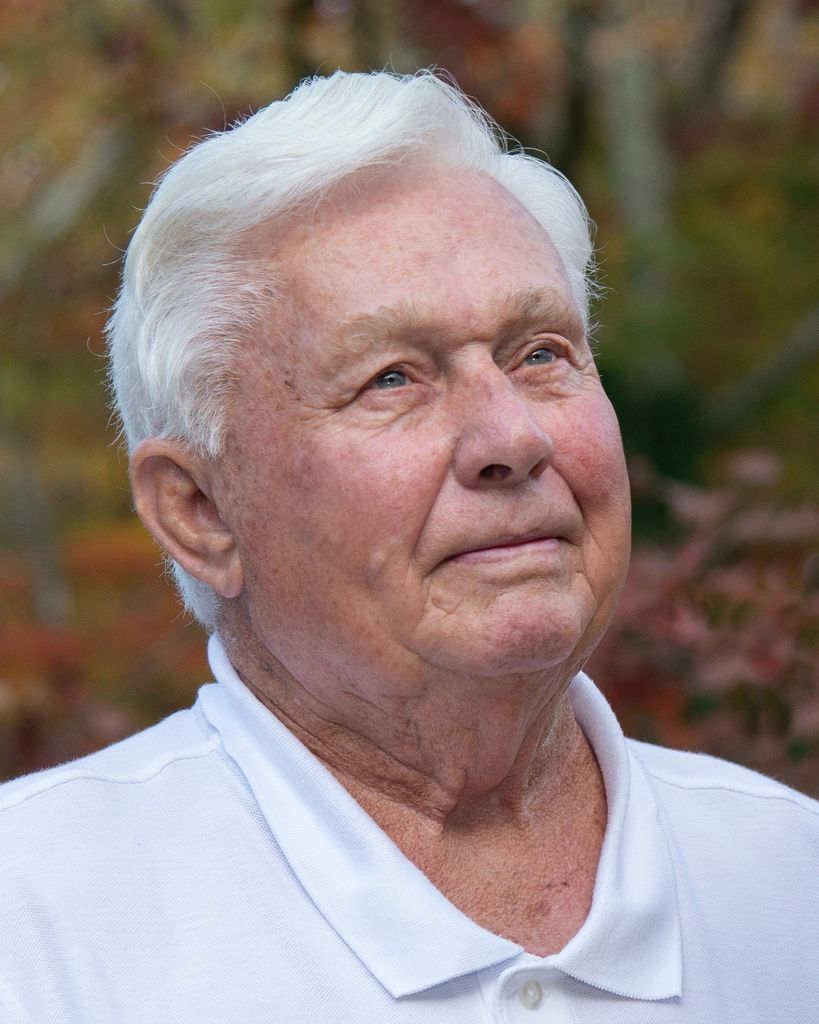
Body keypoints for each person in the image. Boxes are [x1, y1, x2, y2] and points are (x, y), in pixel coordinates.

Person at [1, 70, 817, 1024]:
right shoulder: (38, 928)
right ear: (200, 512)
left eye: (540, 354)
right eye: (391, 379)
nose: (513, 438)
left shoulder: (786, 880)